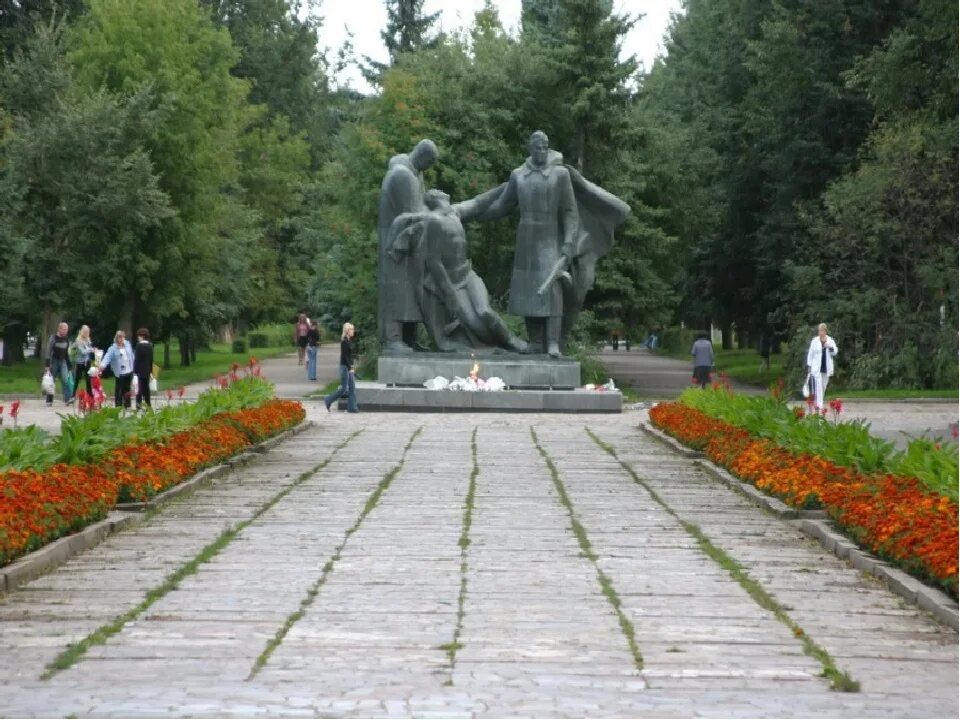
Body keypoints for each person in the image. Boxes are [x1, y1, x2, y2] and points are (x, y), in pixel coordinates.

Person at [388, 189, 527, 353]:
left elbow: (478, 202)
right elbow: (433, 262)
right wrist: (450, 294)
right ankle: (494, 347)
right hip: (454, 283)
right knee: (476, 324)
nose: (446, 194)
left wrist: (505, 187)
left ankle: (513, 342)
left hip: (467, 275)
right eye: (441, 193)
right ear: (437, 198)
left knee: (485, 312)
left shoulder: (455, 212)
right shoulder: (434, 221)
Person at [377, 139, 439, 353]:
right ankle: (393, 339)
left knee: (411, 293)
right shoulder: (402, 175)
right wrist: (440, 214)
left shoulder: (415, 174)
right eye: (429, 161)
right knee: (396, 291)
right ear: (421, 155)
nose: (430, 166)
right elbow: (412, 211)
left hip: (409, 243)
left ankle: (410, 339)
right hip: (396, 245)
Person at [324, 322, 359, 413]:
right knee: (344, 388)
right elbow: (345, 356)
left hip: (348, 366)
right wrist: (349, 368)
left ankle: (352, 408)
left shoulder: (348, 341)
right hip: (344, 367)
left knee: (352, 387)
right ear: (347, 331)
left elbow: (349, 356)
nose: (353, 331)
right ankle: (328, 399)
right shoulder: (344, 341)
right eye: (352, 329)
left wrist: (352, 366)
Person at [806, 323, 838, 411]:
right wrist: (809, 365)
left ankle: (819, 402)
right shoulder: (814, 341)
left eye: (822, 330)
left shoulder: (830, 340)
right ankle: (819, 406)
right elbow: (810, 354)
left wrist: (830, 347)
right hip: (816, 368)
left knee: (823, 386)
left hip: (826, 368)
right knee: (818, 386)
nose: (821, 332)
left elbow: (835, 351)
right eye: (819, 331)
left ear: (825, 331)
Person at [100, 330, 135, 408]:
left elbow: (131, 355)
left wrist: (135, 364)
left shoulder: (127, 344)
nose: (121, 339)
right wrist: (102, 365)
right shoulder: (113, 348)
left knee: (127, 388)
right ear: (117, 338)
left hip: (129, 370)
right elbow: (107, 357)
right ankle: (118, 405)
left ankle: (127, 405)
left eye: (123, 337)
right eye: (120, 337)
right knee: (119, 389)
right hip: (119, 372)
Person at [46, 322, 73, 405]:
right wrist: (47, 365)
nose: (65, 332)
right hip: (54, 361)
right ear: (59, 329)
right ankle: (49, 400)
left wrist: (69, 366)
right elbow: (48, 352)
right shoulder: (53, 338)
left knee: (65, 379)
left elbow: (67, 353)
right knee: (52, 380)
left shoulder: (66, 339)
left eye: (67, 330)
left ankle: (67, 399)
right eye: (64, 330)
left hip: (63, 361)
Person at [71, 325, 96, 397]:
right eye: (85, 332)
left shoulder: (88, 340)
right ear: (82, 332)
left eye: (88, 332)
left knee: (88, 379)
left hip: (87, 362)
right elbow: (83, 352)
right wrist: (91, 350)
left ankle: (90, 395)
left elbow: (89, 349)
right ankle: (73, 395)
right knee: (77, 379)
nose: (87, 334)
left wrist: (93, 349)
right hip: (80, 362)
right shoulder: (78, 340)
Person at [133, 328, 153, 409]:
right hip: (147, 370)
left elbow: (137, 359)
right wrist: (151, 371)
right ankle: (148, 404)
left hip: (139, 371)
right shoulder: (150, 346)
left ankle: (138, 405)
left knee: (139, 389)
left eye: (139, 336)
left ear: (142, 336)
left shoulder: (139, 346)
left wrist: (135, 371)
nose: (138, 337)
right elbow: (151, 359)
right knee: (146, 388)